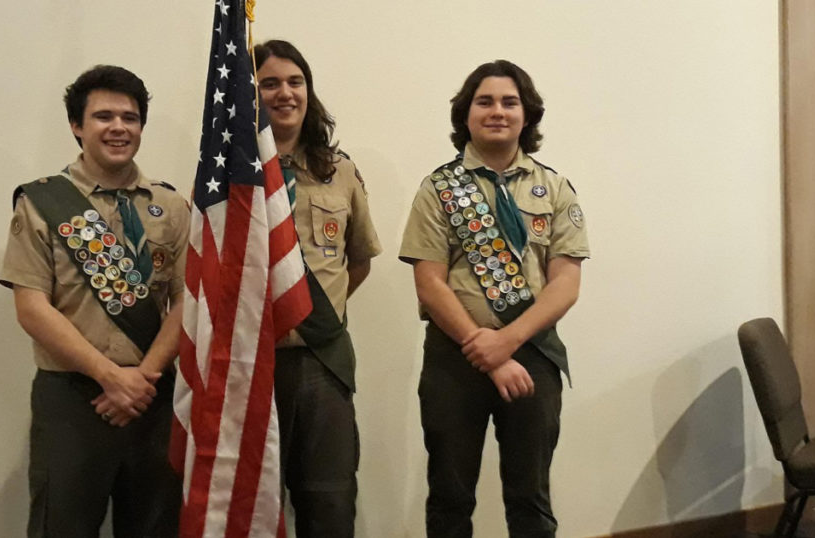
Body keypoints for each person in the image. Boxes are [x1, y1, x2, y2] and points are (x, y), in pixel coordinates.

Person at [398, 60, 590, 537]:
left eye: (510, 102)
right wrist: (483, 347)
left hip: (533, 355)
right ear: (466, 114)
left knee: (531, 498)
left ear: (528, 115)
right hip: (453, 358)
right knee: (450, 494)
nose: (497, 111)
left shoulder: (556, 188)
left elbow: (565, 282)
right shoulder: (438, 189)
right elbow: (430, 283)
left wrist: (507, 342)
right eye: (484, 101)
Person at [0, 65, 187, 538]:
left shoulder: (173, 206)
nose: (118, 127)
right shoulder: (43, 203)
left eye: (130, 117)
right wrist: (109, 376)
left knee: (154, 527)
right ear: (77, 126)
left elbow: (191, 301)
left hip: (152, 398)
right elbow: (32, 308)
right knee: (61, 527)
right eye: (103, 116)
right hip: (74, 398)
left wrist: (141, 380)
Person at [253, 39, 382, 537]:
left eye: (295, 82)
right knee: (255, 505)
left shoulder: (339, 171)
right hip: (253, 363)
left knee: (328, 500)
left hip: (320, 360)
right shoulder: (231, 177)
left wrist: (312, 310)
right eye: (269, 83)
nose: (284, 93)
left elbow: (361, 260)